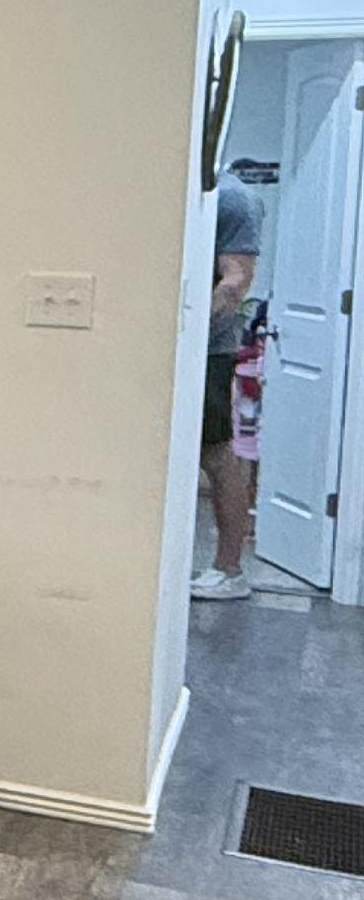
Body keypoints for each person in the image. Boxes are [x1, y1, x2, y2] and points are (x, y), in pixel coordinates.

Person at [192, 170, 267, 600]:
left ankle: (230, 569)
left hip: (209, 353)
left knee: (217, 454)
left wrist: (189, 339)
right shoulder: (191, 191)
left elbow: (236, 282)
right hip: (186, 352)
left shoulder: (234, 198)